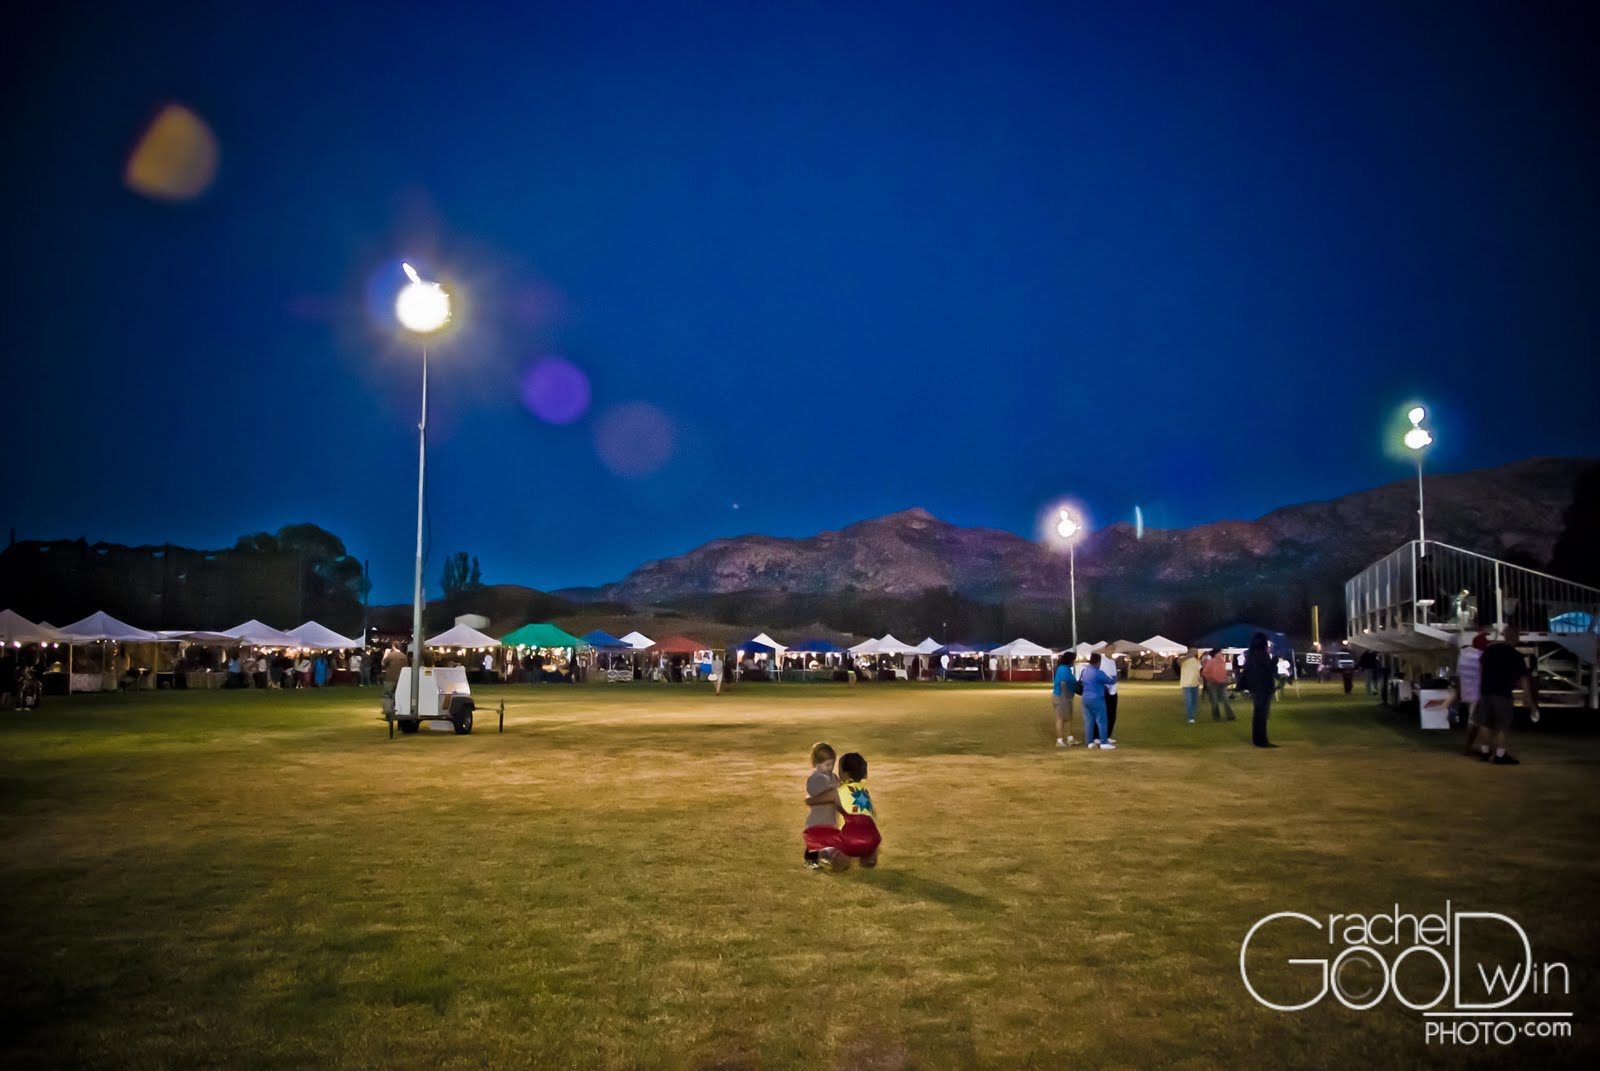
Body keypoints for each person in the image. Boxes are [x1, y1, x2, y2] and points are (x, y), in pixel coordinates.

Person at [1477, 629, 1536, 765]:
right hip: (1502, 694)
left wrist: (1481, 687)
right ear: (1515, 638)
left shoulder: (1489, 651)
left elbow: (1480, 669)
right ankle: (1500, 755)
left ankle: (1485, 752)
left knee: (1484, 723)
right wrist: (1528, 699)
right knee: (1502, 726)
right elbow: (1523, 679)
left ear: (1504, 636)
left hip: (1485, 692)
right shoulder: (1516, 656)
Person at [816, 752, 880, 867]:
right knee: (866, 837)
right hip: (872, 837)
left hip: (851, 838)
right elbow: (873, 815)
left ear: (844, 773)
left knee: (827, 845)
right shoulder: (865, 791)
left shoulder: (839, 791)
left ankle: (839, 856)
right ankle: (869, 855)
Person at [801, 742, 848, 871]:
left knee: (829, 838)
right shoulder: (816, 778)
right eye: (827, 765)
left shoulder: (833, 777)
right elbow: (816, 791)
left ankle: (825, 856)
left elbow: (839, 790)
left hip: (830, 817)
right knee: (815, 840)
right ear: (816, 764)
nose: (830, 768)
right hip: (818, 818)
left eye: (832, 764)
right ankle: (810, 860)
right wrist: (832, 790)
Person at [1242, 632, 1278, 748]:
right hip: (1264, 687)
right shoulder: (1263, 654)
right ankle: (1262, 740)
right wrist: (1274, 662)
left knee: (1258, 713)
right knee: (1262, 714)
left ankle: (1258, 739)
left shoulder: (1251, 654)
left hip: (1255, 687)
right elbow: (1268, 671)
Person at [1458, 632, 1488, 755]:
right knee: (1477, 722)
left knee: (1473, 721)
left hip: (1467, 692)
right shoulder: (1481, 656)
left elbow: (1459, 675)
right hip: (1478, 692)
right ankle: (1479, 748)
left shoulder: (1464, 655)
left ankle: (1469, 747)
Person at [1079, 652, 1114, 750]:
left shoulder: (1084, 671)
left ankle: (1090, 742)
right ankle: (1103, 742)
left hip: (1085, 698)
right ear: (1098, 662)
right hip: (1097, 699)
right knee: (1101, 720)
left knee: (1089, 721)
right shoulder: (1098, 673)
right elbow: (1110, 680)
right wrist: (1114, 677)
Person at [1052, 652, 1078, 747]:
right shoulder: (1064, 669)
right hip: (1061, 697)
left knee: (1068, 718)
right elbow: (1063, 684)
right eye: (1074, 660)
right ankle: (1059, 741)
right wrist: (1067, 696)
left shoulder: (1065, 669)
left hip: (1063, 697)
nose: (1074, 662)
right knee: (1061, 719)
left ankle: (1069, 739)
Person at [1201, 648, 1235, 721]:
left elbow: (1206, 672)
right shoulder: (1213, 662)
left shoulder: (1221, 661)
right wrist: (1212, 679)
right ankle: (1222, 716)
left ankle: (1224, 716)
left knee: (1221, 699)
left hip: (1220, 683)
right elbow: (1205, 672)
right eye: (1220, 652)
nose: (1221, 654)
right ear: (1216, 653)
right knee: (1217, 700)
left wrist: (1225, 677)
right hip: (1214, 683)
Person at [1178, 650, 1202, 724]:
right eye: (1195, 649)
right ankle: (1190, 717)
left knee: (1194, 702)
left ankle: (1191, 714)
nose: (1196, 651)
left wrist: (1200, 679)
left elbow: (1197, 671)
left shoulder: (1196, 661)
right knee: (1189, 701)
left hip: (1195, 683)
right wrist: (1189, 655)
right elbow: (1178, 661)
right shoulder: (1183, 658)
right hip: (1187, 683)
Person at [1102, 653, 1121, 744]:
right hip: (1104, 691)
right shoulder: (1102, 660)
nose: (1111, 651)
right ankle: (1099, 736)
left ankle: (1108, 735)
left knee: (1112, 714)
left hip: (1113, 691)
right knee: (1103, 714)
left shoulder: (1112, 662)